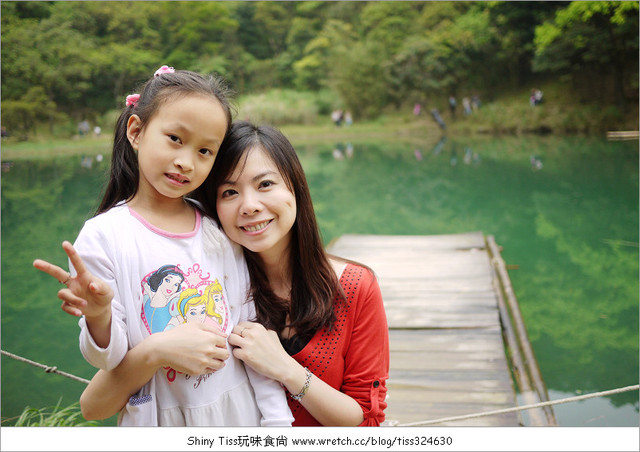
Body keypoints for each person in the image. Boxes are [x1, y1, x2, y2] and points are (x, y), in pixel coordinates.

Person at [76, 120, 390, 426]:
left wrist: (286, 369)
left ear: (295, 186)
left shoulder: (353, 287)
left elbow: (364, 421)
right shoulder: (214, 287)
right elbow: (93, 406)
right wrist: (154, 349)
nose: (250, 205)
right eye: (229, 193)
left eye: (265, 184)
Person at [33, 66, 292, 427]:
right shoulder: (105, 236)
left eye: (205, 150)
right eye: (175, 138)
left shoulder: (217, 229)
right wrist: (98, 316)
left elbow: (251, 337)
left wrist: (278, 424)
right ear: (136, 131)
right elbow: (109, 360)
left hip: (240, 416)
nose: (186, 161)